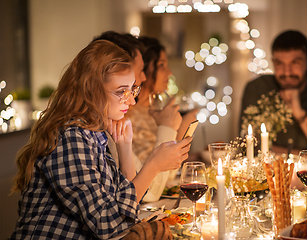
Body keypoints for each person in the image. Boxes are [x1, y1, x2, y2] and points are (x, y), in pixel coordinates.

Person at [10, 40, 191, 239]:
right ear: (91, 90)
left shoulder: (98, 132)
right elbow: (108, 224)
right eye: (122, 92)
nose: (131, 100)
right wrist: (153, 166)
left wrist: (125, 148)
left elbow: (129, 209)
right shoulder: (71, 136)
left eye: (132, 90)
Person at [92, 32, 185, 202]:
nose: (142, 77)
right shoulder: (79, 135)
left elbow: (129, 196)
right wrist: (168, 129)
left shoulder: (118, 122)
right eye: (161, 65)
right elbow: (149, 193)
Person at [239, 30, 307, 160]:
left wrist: (299, 113)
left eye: (295, 62)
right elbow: (247, 146)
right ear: (273, 62)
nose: (287, 72)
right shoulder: (257, 89)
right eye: (279, 63)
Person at [127, 36, 198, 202]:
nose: (169, 72)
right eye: (161, 65)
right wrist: (175, 130)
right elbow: (151, 189)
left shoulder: (153, 111)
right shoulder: (127, 116)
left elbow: (168, 171)